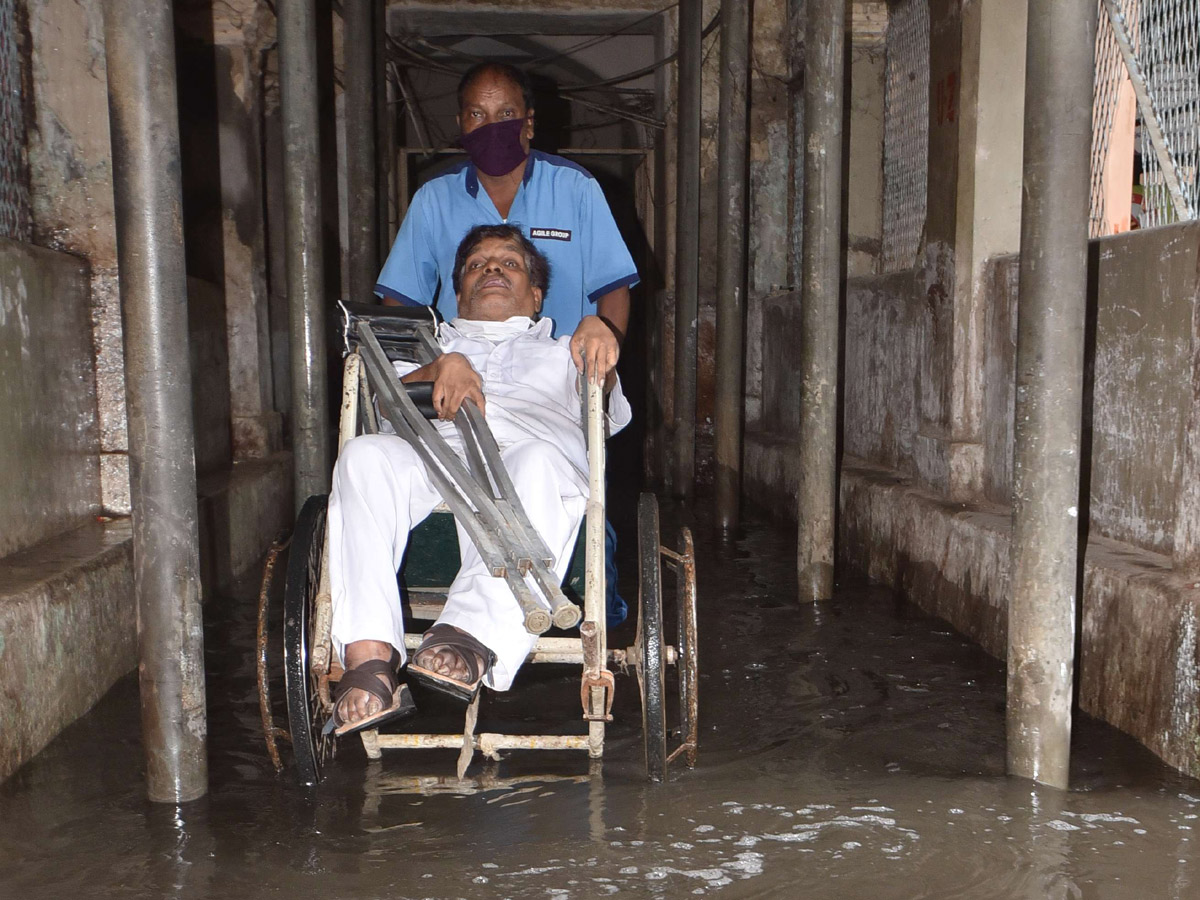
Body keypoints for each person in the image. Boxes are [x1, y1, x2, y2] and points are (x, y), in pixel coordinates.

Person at [328, 224, 632, 735]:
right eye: (477, 265)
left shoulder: (569, 350)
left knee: (536, 460)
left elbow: (609, 409)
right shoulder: (424, 346)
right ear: (457, 292)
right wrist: (441, 366)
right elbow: (379, 402)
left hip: (530, 461)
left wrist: (602, 331)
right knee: (363, 455)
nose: (491, 269)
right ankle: (370, 656)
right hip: (433, 455)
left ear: (536, 295)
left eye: (509, 264)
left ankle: (467, 635)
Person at [375, 61, 638, 387]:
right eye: (477, 114)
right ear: (461, 124)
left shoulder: (574, 188)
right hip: (462, 382)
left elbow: (613, 288)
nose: (491, 126)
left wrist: (603, 371)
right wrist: (412, 378)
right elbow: (401, 300)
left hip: (558, 385)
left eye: (505, 114)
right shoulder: (434, 199)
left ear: (528, 123)